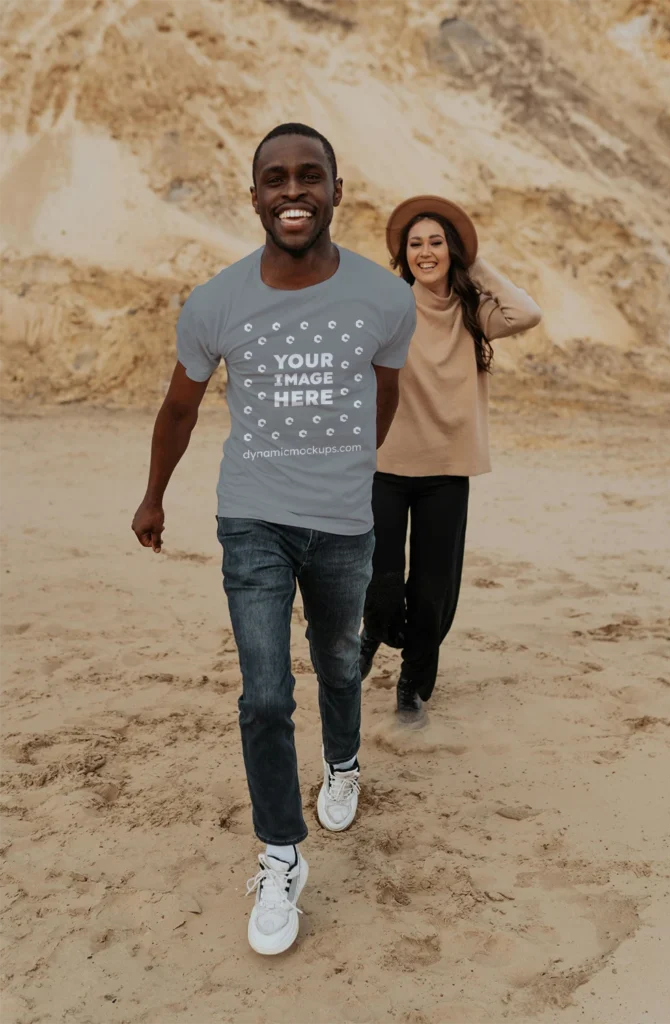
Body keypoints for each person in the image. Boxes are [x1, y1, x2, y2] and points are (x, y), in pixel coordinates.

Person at [131, 124, 416, 955]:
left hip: (342, 522)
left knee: (336, 662)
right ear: (253, 194)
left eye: (309, 177)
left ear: (335, 189)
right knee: (262, 693)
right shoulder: (215, 301)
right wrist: (153, 496)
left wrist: (356, 469)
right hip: (250, 516)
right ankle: (281, 853)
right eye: (275, 179)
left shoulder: (383, 298)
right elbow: (180, 408)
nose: (293, 192)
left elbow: (383, 394)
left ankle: (342, 761)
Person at [359, 195, 542, 722]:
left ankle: (411, 687)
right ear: (404, 254)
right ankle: (372, 630)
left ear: (451, 249)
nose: (425, 252)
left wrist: (474, 260)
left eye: (436, 242)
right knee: (382, 577)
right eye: (415, 244)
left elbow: (526, 312)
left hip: (447, 470)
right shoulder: (389, 305)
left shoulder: (474, 311)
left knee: (433, 589)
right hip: (387, 467)